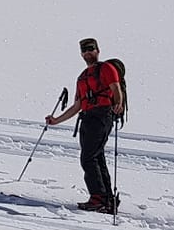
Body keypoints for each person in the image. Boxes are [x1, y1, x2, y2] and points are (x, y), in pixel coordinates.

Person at [45, 37, 122, 212]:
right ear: (81, 54)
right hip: (87, 117)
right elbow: (77, 106)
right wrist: (56, 120)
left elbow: (115, 88)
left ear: (98, 50)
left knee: (88, 157)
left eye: (91, 49)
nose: (88, 52)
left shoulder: (107, 68)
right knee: (96, 156)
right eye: (85, 50)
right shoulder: (82, 77)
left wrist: (118, 103)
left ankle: (99, 198)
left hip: (102, 115)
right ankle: (106, 198)